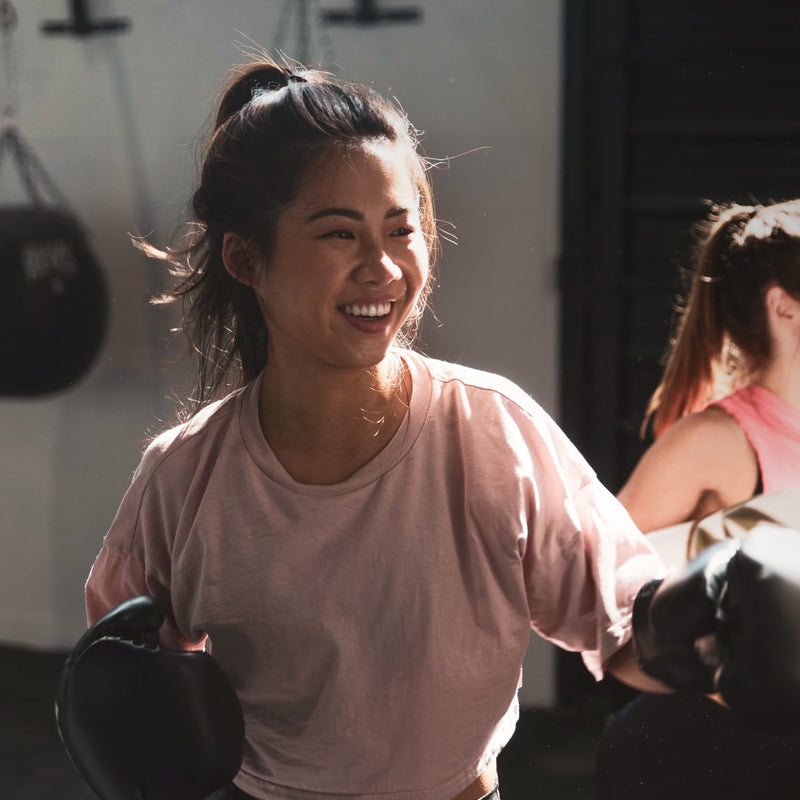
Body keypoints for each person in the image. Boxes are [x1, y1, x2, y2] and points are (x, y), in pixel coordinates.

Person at [82, 57, 776, 800]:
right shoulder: (185, 476)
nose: (382, 268)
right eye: (339, 236)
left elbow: (622, 627)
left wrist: (707, 633)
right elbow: (120, 663)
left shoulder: (491, 433)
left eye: (400, 230)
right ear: (246, 257)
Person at [597, 200, 800, 798]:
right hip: (706, 752)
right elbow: (591, 595)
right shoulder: (715, 441)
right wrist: (695, 654)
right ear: (784, 305)